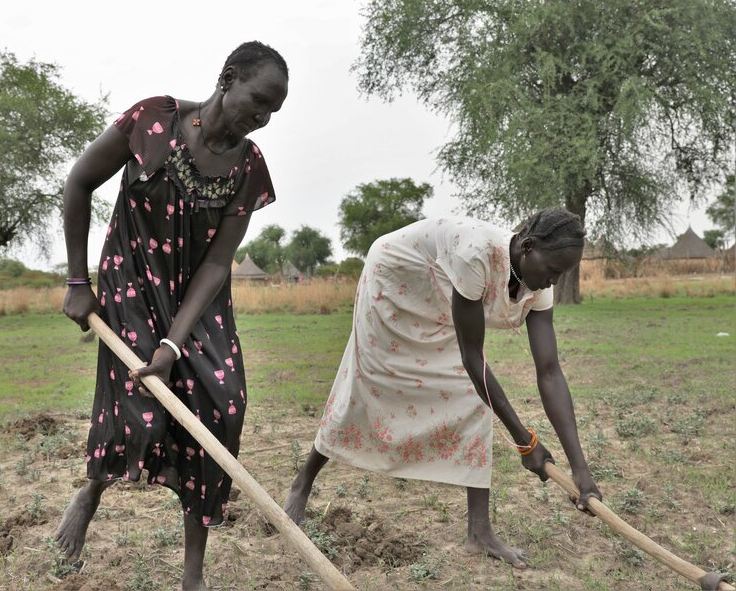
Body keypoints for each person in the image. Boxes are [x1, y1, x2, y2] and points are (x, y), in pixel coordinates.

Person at [56, 41, 288, 590]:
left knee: (223, 406)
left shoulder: (249, 167)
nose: (260, 119)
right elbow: (79, 182)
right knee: (141, 408)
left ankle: (193, 574)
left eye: (271, 113)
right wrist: (76, 282)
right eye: (256, 102)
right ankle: (92, 491)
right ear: (227, 78)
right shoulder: (151, 121)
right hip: (131, 283)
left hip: (198, 302)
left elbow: (217, 264)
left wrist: (175, 344)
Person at [284, 209, 602, 569]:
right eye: (552, 271)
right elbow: (471, 357)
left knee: (475, 399)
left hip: (439, 291)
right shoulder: (476, 253)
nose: (551, 282)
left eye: (560, 275)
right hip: (395, 278)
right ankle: (302, 482)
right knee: (365, 383)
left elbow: (549, 372)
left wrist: (581, 470)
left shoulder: (538, 285)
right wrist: (525, 442)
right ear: (528, 247)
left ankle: (479, 532)